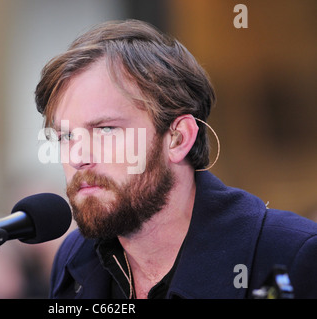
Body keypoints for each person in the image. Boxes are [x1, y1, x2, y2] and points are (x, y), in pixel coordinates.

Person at [34, 19, 317, 299]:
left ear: (178, 138)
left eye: (106, 129)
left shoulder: (290, 256)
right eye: (65, 136)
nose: (77, 157)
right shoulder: (76, 259)